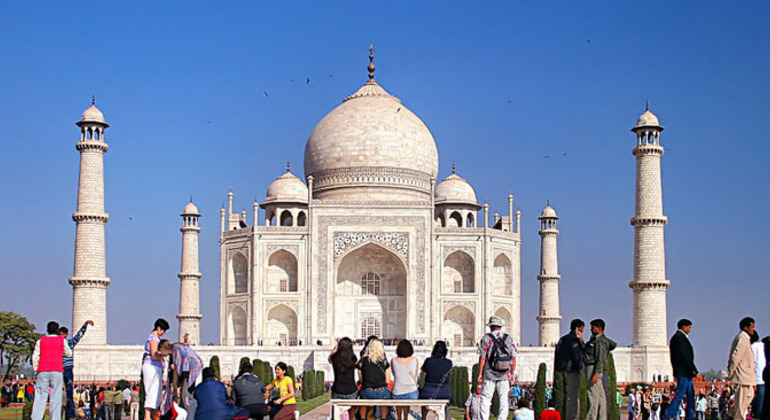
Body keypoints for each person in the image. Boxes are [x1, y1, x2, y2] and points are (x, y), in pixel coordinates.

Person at [477, 316, 517, 420]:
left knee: (486, 398)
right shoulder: (508, 338)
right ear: (500, 326)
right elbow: (513, 357)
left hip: (490, 373)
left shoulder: (486, 338)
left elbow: (482, 357)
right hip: (505, 374)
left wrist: (480, 373)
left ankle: (484, 418)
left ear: (491, 327)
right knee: (504, 399)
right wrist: (512, 374)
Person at [31, 321, 72, 420]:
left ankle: (36, 417)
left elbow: (35, 356)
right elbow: (69, 353)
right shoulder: (62, 340)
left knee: (41, 396)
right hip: (57, 370)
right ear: (57, 330)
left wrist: (36, 369)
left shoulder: (41, 340)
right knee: (56, 396)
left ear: (47, 330)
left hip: (43, 369)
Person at [158, 339, 204, 419]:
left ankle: (192, 416)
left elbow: (178, 368)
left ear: (162, 348)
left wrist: (176, 384)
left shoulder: (176, 349)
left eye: (160, 351)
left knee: (186, 396)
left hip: (190, 370)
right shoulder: (177, 347)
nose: (161, 354)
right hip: (192, 369)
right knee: (186, 395)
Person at [663, 319, 697, 420]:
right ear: (683, 327)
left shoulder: (678, 338)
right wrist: (693, 370)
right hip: (684, 372)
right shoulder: (679, 338)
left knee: (690, 396)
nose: (690, 329)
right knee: (680, 395)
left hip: (686, 373)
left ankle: (690, 416)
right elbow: (684, 356)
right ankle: (667, 415)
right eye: (689, 327)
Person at [59, 320, 93, 420]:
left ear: (65, 335)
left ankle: (69, 416)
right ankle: (68, 415)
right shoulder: (65, 343)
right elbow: (78, 336)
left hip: (64, 369)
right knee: (66, 393)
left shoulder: (68, 343)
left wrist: (85, 325)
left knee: (68, 393)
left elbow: (79, 335)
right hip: (64, 369)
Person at [584, 319, 616, 420]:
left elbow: (599, 358)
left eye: (593, 328)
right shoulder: (599, 340)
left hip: (593, 368)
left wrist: (597, 373)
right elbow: (612, 344)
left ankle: (591, 418)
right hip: (596, 369)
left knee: (593, 396)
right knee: (601, 398)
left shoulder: (600, 341)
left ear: (598, 328)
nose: (591, 330)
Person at [555, 319, 585, 420]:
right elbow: (577, 355)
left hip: (561, 370)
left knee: (564, 396)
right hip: (572, 370)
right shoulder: (574, 340)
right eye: (582, 328)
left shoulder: (562, 339)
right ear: (578, 329)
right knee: (573, 397)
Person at [727, 317, 756, 420]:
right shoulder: (742, 338)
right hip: (743, 376)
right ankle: (736, 417)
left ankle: (730, 414)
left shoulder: (744, 338)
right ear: (746, 327)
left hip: (747, 376)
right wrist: (731, 371)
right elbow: (736, 356)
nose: (754, 329)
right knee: (742, 403)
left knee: (749, 396)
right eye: (752, 327)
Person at [356, 338, 391, 420]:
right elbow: (388, 380)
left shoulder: (362, 361)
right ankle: (383, 417)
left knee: (363, 400)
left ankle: (363, 418)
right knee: (386, 398)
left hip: (367, 391)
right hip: (381, 391)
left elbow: (361, 380)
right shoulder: (384, 361)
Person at [143, 318, 169, 420]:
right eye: (163, 330)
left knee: (154, 394)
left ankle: (152, 417)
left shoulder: (154, 338)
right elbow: (154, 355)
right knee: (151, 393)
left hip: (154, 367)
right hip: (152, 367)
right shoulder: (154, 338)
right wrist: (164, 354)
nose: (163, 333)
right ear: (158, 328)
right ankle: (147, 417)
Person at [420, 340, 453, 419]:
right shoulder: (449, 362)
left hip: (428, 392)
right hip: (444, 392)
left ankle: (423, 418)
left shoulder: (429, 360)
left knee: (424, 406)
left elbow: (423, 370)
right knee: (445, 406)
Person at [329, 337, 359, 420]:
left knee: (336, 416)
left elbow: (329, 358)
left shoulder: (334, 358)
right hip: (351, 390)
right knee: (351, 416)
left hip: (337, 390)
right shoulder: (353, 358)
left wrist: (335, 348)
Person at [391, 339, 419, 420]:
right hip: (412, 392)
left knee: (399, 412)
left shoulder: (393, 361)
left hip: (398, 391)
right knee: (406, 410)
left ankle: (399, 417)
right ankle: (406, 417)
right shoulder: (415, 360)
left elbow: (395, 374)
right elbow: (415, 374)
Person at [751, 331, 765, 418]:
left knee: (759, 399)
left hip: (758, 377)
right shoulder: (763, 345)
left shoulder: (752, 347)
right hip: (765, 375)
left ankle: (757, 415)